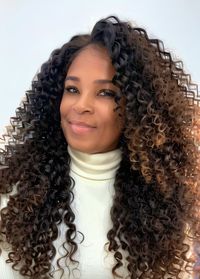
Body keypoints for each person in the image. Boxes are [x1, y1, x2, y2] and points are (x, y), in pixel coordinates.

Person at [0, 15, 200, 279]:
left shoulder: (166, 209)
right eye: (71, 89)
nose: (80, 105)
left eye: (105, 93)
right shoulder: (14, 194)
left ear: (137, 108)